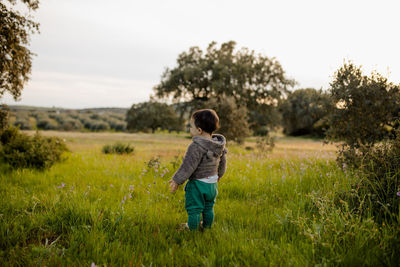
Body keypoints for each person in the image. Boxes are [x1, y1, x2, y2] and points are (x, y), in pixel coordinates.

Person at [169, 109, 227, 231]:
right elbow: (223, 162)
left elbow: (188, 166)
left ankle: (192, 229)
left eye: (191, 126)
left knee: (194, 209)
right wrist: (219, 175)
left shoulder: (196, 146)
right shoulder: (218, 145)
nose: (190, 129)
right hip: (212, 183)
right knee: (208, 207)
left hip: (198, 184)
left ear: (199, 130)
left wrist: (176, 180)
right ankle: (207, 227)